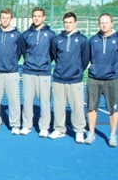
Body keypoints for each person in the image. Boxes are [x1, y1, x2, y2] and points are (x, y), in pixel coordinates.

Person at [85, 13, 118, 147]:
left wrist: (112, 70)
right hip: (94, 79)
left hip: (112, 80)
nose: (104, 25)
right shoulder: (93, 40)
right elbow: (89, 57)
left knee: (113, 109)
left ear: (112, 23)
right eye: (101, 23)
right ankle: (91, 133)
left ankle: (113, 135)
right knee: (91, 108)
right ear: (99, 24)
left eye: (106, 22)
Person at [48, 12, 89, 143]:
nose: (68, 25)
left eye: (70, 22)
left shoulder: (82, 40)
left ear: (75, 23)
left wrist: (77, 71)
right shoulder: (57, 39)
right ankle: (59, 129)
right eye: (65, 22)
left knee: (77, 107)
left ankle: (79, 131)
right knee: (58, 107)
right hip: (59, 78)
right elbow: (54, 55)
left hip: (75, 80)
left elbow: (85, 59)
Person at [19, 7, 55, 137]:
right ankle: (26, 125)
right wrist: (30, 61)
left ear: (43, 17)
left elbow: (53, 52)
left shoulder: (51, 34)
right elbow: (23, 51)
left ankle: (44, 127)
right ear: (32, 17)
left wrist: (45, 62)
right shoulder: (26, 34)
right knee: (27, 101)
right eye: (34, 15)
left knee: (44, 101)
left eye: (39, 16)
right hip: (28, 71)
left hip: (44, 72)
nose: (37, 18)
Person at [0, 8, 23, 134]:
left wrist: (11, 62)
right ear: (0, 18)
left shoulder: (17, 34)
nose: (5, 20)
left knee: (14, 100)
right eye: (3, 17)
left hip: (12, 72)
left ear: (11, 19)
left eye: (7, 18)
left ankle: (15, 124)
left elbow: (19, 52)